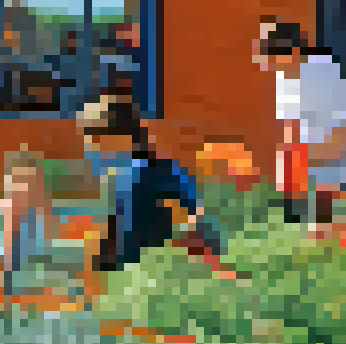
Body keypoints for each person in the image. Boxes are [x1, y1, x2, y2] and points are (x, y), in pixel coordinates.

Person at [77, 100, 232, 282]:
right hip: (148, 266)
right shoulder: (132, 171)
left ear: (119, 135)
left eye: (94, 136)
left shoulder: (145, 171)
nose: (90, 144)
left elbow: (192, 220)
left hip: (161, 269)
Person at [266, 21, 346, 226]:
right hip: (305, 149)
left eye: (278, 59)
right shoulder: (284, 75)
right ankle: (295, 224)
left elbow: (345, 121)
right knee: (295, 211)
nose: (276, 66)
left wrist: (328, 150)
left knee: (324, 209)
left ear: (295, 51)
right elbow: (289, 122)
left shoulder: (325, 71)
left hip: (333, 145)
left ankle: (323, 231)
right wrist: (289, 156)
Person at [0, 148, 60, 298]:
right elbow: (6, 243)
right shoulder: (8, 206)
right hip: (16, 265)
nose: (26, 187)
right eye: (21, 181)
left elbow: (49, 237)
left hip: (39, 265)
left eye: (31, 181)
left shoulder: (41, 208)